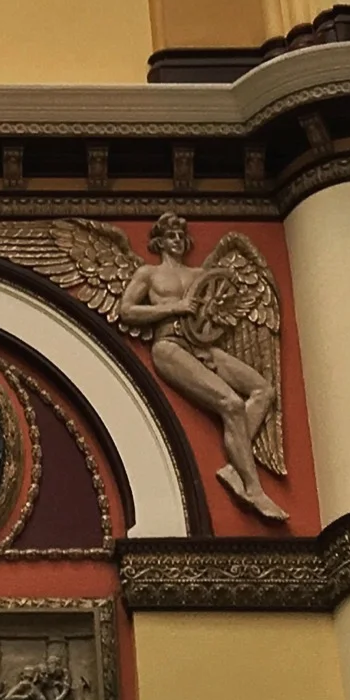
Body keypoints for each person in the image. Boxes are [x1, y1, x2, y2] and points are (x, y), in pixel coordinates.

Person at [117, 209, 288, 521]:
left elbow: (216, 311)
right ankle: (253, 488)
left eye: (182, 236)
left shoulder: (199, 276)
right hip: (169, 346)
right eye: (171, 236)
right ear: (160, 242)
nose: (178, 241)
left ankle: (236, 465)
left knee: (263, 390)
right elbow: (127, 311)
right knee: (232, 404)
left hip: (203, 344)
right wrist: (175, 307)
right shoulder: (149, 275)